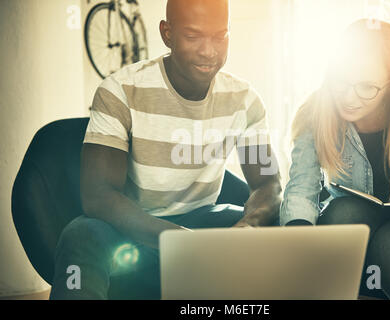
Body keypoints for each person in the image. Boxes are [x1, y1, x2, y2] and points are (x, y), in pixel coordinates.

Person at [50, 0, 281, 300]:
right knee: (80, 235)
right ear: (167, 33)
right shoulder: (120, 91)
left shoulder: (244, 101)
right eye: (193, 36)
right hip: (131, 230)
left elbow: (268, 183)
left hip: (201, 222)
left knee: (278, 224)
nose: (209, 50)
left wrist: (247, 227)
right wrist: (174, 240)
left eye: (219, 35)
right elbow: (98, 195)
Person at [280, 19, 390, 299]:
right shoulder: (316, 112)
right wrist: (299, 242)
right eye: (341, 82)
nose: (349, 97)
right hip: (361, 216)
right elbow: (301, 187)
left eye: (367, 87)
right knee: (342, 214)